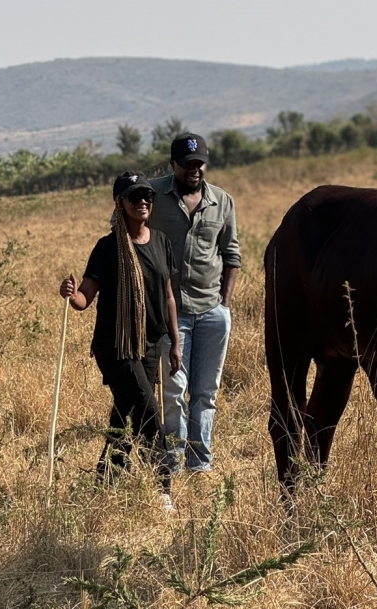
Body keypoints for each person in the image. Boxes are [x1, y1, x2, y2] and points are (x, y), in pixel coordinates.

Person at [59, 170, 182, 508]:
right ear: (120, 203)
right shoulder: (107, 248)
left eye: (147, 196)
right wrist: (71, 296)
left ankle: (105, 480)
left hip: (151, 344)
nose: (142, 201)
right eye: (134, 197)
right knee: (148, 411)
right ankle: (163, 488)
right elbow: (85, 297)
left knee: (124, 415)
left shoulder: (160, 241)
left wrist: (176, 342)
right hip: (117, 347)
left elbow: (168, 295)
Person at [149, 133, 241, 474]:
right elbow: (126, 232)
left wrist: (225, 305)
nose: (194, 169)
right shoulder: (153, 195)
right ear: (173, 165)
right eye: (187, 164)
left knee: (206, 393)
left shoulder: (222, 201)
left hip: (212, 312)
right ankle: (171, 463)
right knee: (174, 392)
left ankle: (199, 465)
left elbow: (232, 253)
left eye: (199, 163)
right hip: (171, 315)